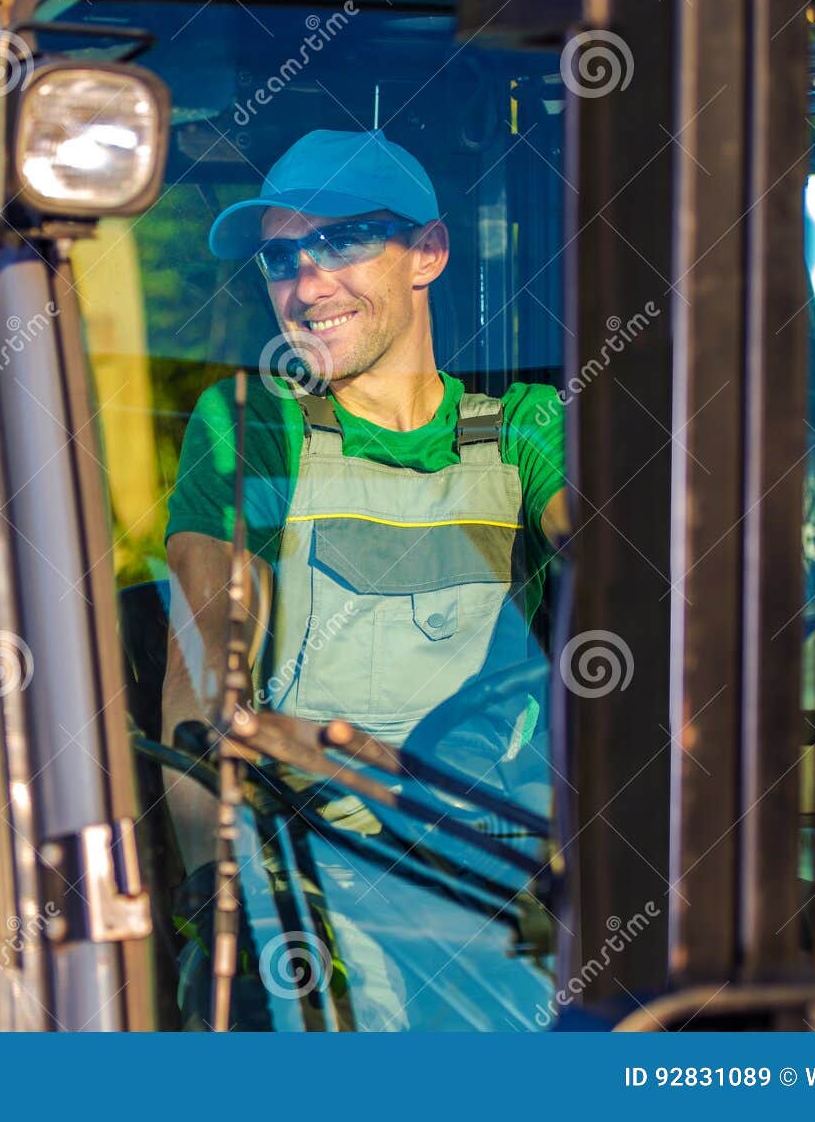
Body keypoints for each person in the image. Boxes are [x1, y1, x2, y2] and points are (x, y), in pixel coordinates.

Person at [157, 129, 569, 1029]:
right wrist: (214, 886)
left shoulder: (528, 427)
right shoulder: (256, 424)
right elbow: (208, 644)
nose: (305, 286)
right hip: (317, 873)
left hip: (497, 869)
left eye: (340, 242)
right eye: (280, 256)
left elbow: (619, 558)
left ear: (429, 252)